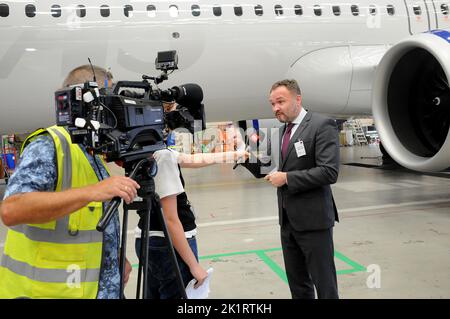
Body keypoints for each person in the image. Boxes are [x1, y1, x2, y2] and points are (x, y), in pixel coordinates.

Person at [0, 65, 138, 299]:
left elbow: (91, 219)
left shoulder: (88, 148)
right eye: (109, 102)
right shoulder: (49, 145)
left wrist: (114, 255)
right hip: (55, 291)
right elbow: (12, 209)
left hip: (95, 288)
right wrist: (91, 192)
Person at [135, 100, 248, 299]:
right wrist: (194, 266)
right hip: (169, 246)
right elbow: (170, 219)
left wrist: (234, 154)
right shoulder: (163, 156)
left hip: (147, 239)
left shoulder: (146, 150)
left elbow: (192, 160)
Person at [264, 79, 340, 299]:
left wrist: (286, 178)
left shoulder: (321, 124)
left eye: (280, 101)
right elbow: (280, 165)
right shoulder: (282, 131)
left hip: (314, 221)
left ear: (298, 99)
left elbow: (329, 172)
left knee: (324, 284)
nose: (275, 108)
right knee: (298, 285)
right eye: (272, 103)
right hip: (288, 221)